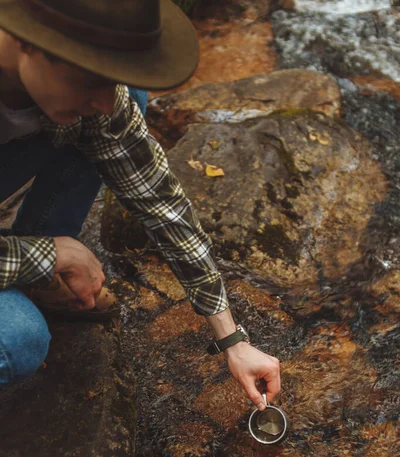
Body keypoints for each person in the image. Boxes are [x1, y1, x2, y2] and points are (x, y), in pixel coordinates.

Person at [0, 0, 280, 410]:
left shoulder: (92, 97)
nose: (106, 102)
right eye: (93, 78)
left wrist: (232, 338)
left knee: (130, 97)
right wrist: (48, 254)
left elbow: (160, 201)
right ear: (28, 42)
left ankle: (39, 283)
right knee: (16, 342)